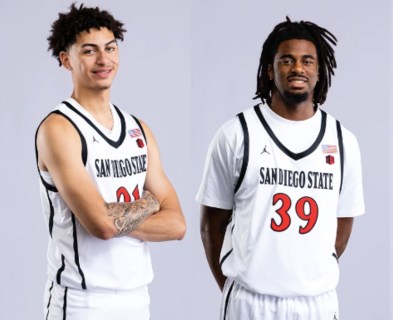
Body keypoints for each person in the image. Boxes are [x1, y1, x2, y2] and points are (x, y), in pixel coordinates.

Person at [197, 17, 365, 320]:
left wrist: (305, 274)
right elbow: (211, 226)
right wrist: (238, 286)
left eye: (307, 61)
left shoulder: (343, 141)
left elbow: (342, 225)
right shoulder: (236, 134)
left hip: (316, 303)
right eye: (287, 60)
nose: (298, 68)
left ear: (319, 71)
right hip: (250, 301)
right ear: (269, 70)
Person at [35, 3, 186, 319]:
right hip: (81, 302)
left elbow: (177, 225)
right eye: (89, 51)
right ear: (66, 60)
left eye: (110, 48)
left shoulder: (139, 129)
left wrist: (115, 216)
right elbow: (102, 226)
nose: (104, 59)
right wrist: (149, 203)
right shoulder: (59, 129)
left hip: (137, 299)